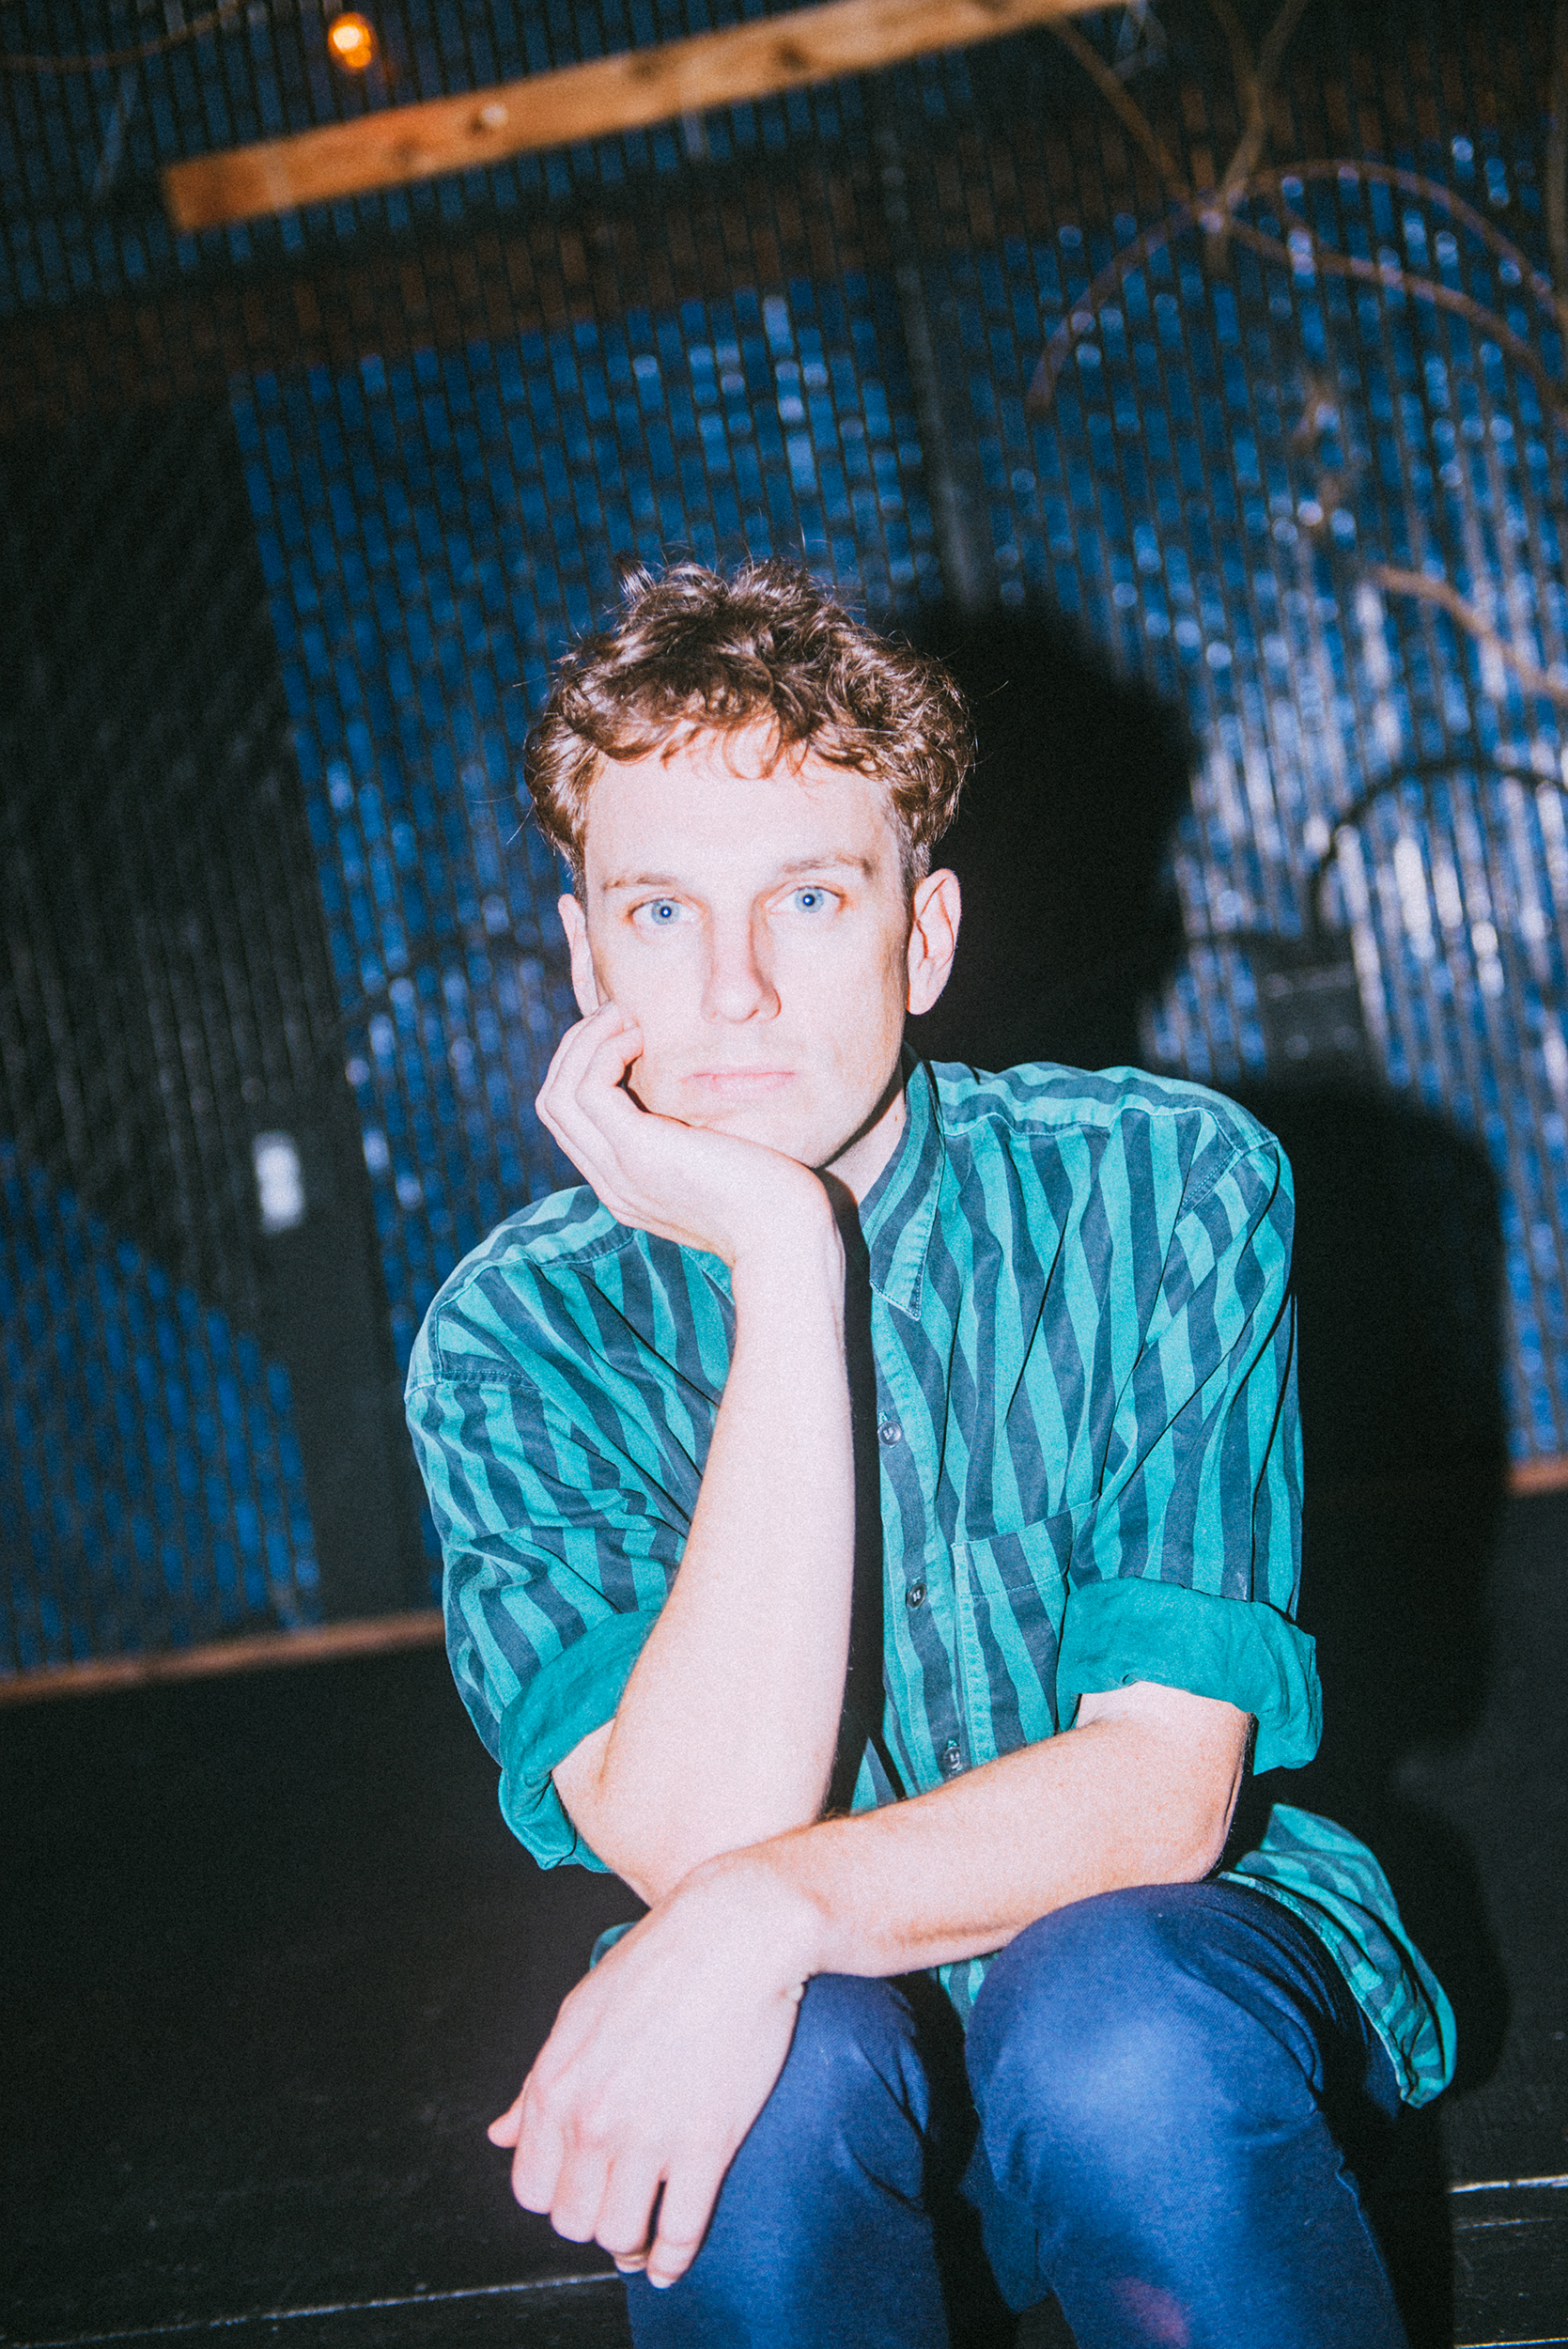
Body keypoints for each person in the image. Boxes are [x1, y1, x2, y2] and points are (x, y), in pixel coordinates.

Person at [406, 560, 1453, 2349]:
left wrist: (760, 1914)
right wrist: (785, 1261)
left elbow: (1160, 1798)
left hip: (1168, 1979)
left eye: (809, 898)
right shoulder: (515, 1338)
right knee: (768, 2092)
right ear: (585, 960)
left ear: (926, 935)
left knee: (1115, 2023)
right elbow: (696, 1843)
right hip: (806, 2040)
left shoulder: (1165, 1185)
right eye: (659, 913)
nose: (731, 990)